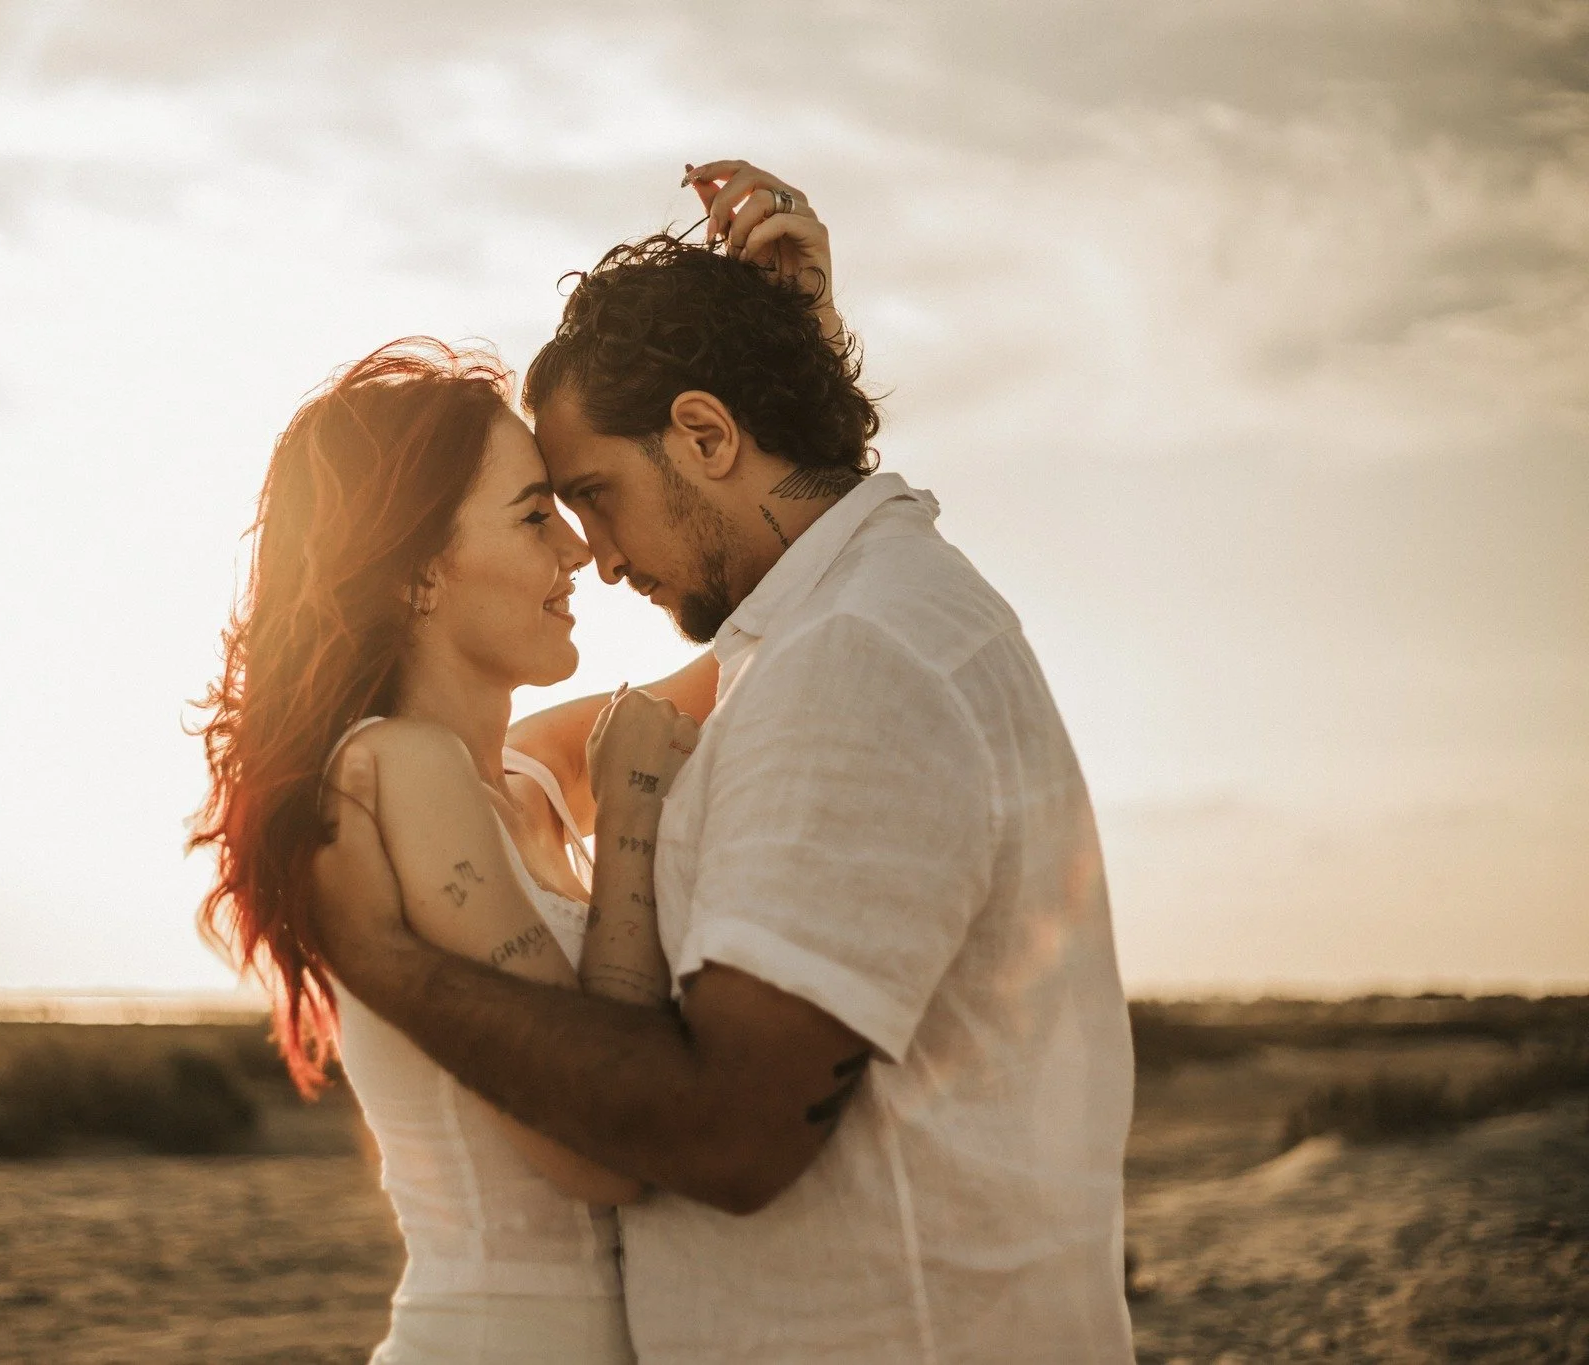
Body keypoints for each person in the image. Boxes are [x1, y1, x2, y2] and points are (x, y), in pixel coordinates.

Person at [310, 161, 1139, 1362]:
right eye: (545, 513)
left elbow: (727, 1134)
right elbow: (598, 725)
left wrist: (383, 960)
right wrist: (793, 366)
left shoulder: (852, 654)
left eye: (586, 497)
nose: (591, 559)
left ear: (702, 433)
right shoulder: (827, 630)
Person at [187, 327, 734, 1354]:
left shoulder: (507, 777)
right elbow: (604, 1150)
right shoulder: (399, 769)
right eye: (535, 516)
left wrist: (792, 353)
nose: (577, 547)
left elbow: (763, 642)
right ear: (414, 576)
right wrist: (628, 824)